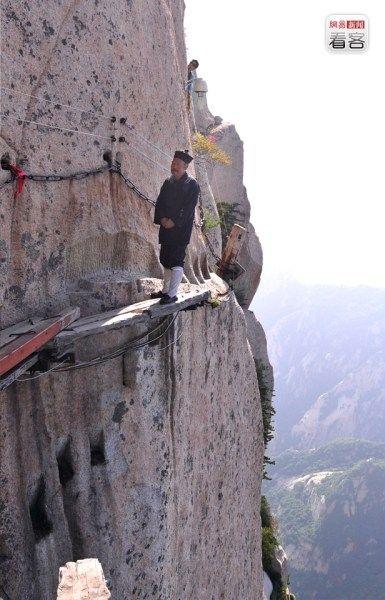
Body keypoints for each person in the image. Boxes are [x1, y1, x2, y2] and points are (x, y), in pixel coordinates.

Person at [152, 150, 200, 305]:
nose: (174, 166)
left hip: (180, 229)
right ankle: (165, 291)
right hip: (166, 227)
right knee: (165, 259)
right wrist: (162, 218)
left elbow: (188, 208)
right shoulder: (168, 181)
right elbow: (160, 202)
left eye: (177, 164)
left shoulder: (192, 185)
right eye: (173, 163)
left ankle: (172, 294)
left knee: (176, 260)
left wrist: (174, 221)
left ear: (185, 166)